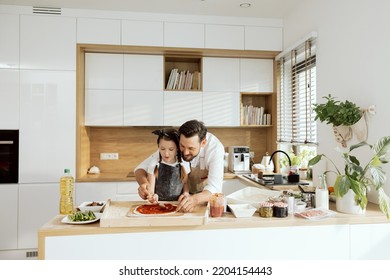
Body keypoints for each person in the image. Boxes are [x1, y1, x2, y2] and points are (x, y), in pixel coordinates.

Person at [135, 120, 225, 212]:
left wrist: (195, 199)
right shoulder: (173, 144)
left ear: (203, 143)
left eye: (191, 148)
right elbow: (140, 169)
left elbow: (215, 188)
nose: (185, 152)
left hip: (202, 202)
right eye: (182, 146)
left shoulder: (215, 149)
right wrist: (144, 184)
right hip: (178, 202)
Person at [145, 128, 190, 204]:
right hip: (159, 204)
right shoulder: (154, 164)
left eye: (171, 149)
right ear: (158, 147)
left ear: (177, 149)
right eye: (162, 149)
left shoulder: (184, 163)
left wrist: (186, 193)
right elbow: (151, 191)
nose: (166, 153)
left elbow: (185, 184)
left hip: (179, 204)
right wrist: (153, 196)